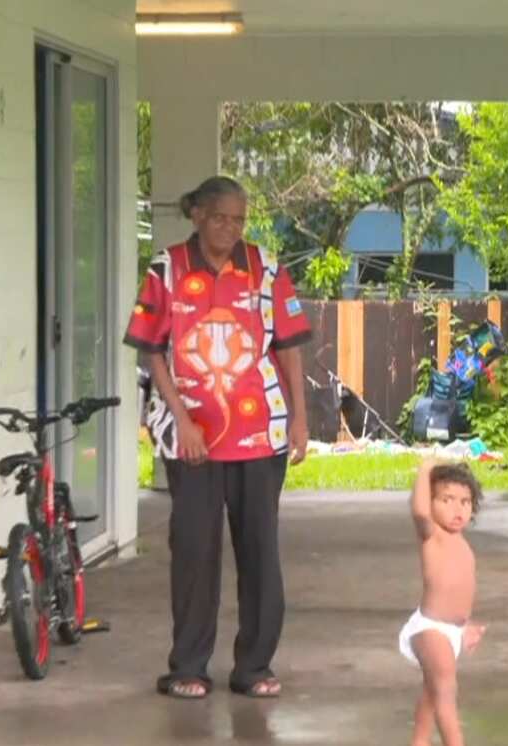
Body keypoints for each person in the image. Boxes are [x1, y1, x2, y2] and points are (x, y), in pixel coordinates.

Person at [124, 175, 312, 700]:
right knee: (193, 552)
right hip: (193, 440)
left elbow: (291, 345)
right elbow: (151, 349)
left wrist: (299, 416)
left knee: (259, 552)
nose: (229, 228)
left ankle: (254, 666)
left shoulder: (265, 268)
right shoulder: (166, 269)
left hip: (260, 434)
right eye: (220, 217)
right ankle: (188, 666)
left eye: (238, 219)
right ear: (197, 215)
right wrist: (180, 419)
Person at [400, 459, 486, 746]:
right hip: (429, 629)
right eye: (446, 500)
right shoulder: (431, 535)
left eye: (465, 501)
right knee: (446, 690)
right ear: (432, 501)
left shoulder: (464, 545)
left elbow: (461, 590)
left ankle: (419, 741)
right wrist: (426, 468)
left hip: (451, 632)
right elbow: (419, 511)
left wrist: (466, 625)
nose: (457, 508)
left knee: (432, 691)